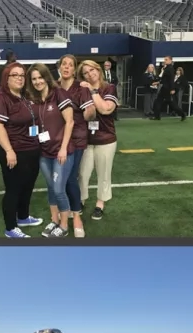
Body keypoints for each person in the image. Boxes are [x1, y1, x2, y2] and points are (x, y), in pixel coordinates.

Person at [0, 62, 43, 238]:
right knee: (14, 188)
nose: (20, 78)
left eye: (22, 75)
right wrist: (9, 151)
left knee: (27, 186)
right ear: (7, 78)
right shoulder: (1, 98)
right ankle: (10, 227)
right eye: (15, 75)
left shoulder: (24, 96)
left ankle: (23, 216)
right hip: (14, 149)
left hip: (31, 149)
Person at [25, 63, 75, 239]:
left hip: (62, 152)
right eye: (34, 79)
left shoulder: (59, 94)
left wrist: (62, 148)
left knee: (59, 189)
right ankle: (54, 220)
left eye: (40, 77)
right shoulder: (36, 99)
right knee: (51, 188)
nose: (38, 82)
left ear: (47, 77)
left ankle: (64, 225)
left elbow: (70, 122)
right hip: (44, 153)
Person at [57, 54, 95, 238]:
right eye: (64, 64)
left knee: (71, 177)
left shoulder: (80, 88)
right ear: (59, 67)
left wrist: (90, 112)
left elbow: (90, 113)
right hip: (58, 139)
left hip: (77, 138)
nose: (66, 67)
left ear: (74, 69)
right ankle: (64, 211)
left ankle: (76, 215)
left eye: (70, 65)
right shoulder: (53, 86)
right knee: (60, 179)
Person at [77, 59, 118, 222]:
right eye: (85, 73)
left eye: (91, 70)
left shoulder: (109, 88)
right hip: (85, 139)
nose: (89, 74)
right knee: (82, 173)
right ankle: (80, 200)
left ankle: (100, 204)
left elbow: (105, 109)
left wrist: (93, 92)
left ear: (98, 70)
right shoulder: (81, 89)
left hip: (106, 139)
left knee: (104, 174)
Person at [151, 55, 185, 121]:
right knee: (158, 101)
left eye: (166, 60)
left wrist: (172, 89)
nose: (164, 61)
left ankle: (182, 114)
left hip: (168, 89)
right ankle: (157, 116)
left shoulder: (170, 69)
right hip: (164, 88)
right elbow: (164, 79)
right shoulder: (166, 68)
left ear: (170, 60)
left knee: (172, 104)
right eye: (164, 59)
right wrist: (158, 82)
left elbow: (171, 79)